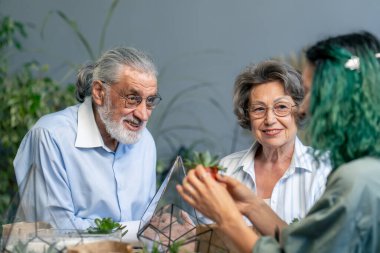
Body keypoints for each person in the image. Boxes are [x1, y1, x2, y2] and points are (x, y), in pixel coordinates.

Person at [177, 31, 380, 252]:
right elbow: (302, 246)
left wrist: (226, 217)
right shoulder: (366, 171)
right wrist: (251, 206)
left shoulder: (354, 179)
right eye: (258, 109)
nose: (304, 108)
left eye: (309, 92)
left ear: (337, 96)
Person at [14, 46, 161, 230]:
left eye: (150, 101)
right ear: (99, 92)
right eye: (132, 98)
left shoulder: (145, 141)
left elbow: (146, 223)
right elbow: (53, 229)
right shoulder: (49, 136)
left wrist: (159, 231)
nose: (144, 115)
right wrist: (134, 232)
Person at [219, 60, 331, 224]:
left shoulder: (325, 169)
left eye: (281, 107)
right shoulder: (226, 169)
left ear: (300, 110)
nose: (270, 120)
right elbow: (212, 239)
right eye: (259, 109)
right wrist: (192, 239)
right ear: (247, 115)